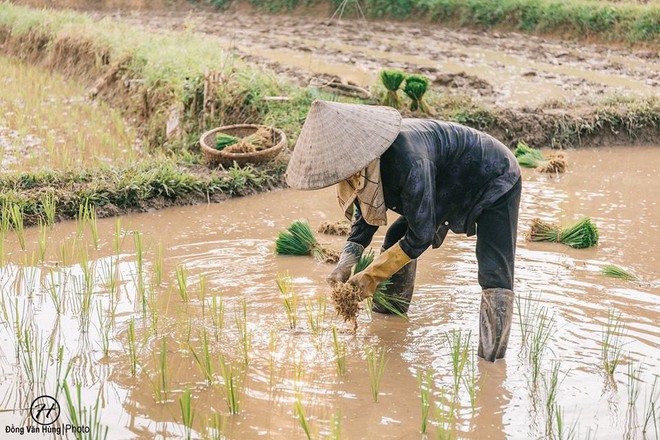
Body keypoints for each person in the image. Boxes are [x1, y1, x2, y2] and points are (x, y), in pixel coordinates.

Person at [285, 100, 522, 362]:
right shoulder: (368, 164)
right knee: (396, 237)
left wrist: (371, 276)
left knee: (494, 271)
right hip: (445, 182)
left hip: (494, 177)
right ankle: (389, 316)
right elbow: (366, 209)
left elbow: (421, 236)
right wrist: (346, 261)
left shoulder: (409, 162)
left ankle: (491, 363)